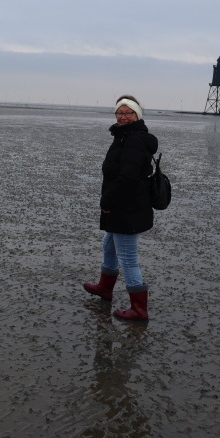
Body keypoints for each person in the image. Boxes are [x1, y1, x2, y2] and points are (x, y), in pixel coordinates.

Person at [82, 95, 158, 320]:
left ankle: (139, 309)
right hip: (125, 205)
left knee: (128, 258)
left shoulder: (133, 140)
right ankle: (105, 288)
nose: (124, 117)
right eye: (120, 113)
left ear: (137, 115)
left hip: (127, 208)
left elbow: (127, 178)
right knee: (109, 245)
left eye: (129, 113)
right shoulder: (124, 136)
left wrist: (107, 202)